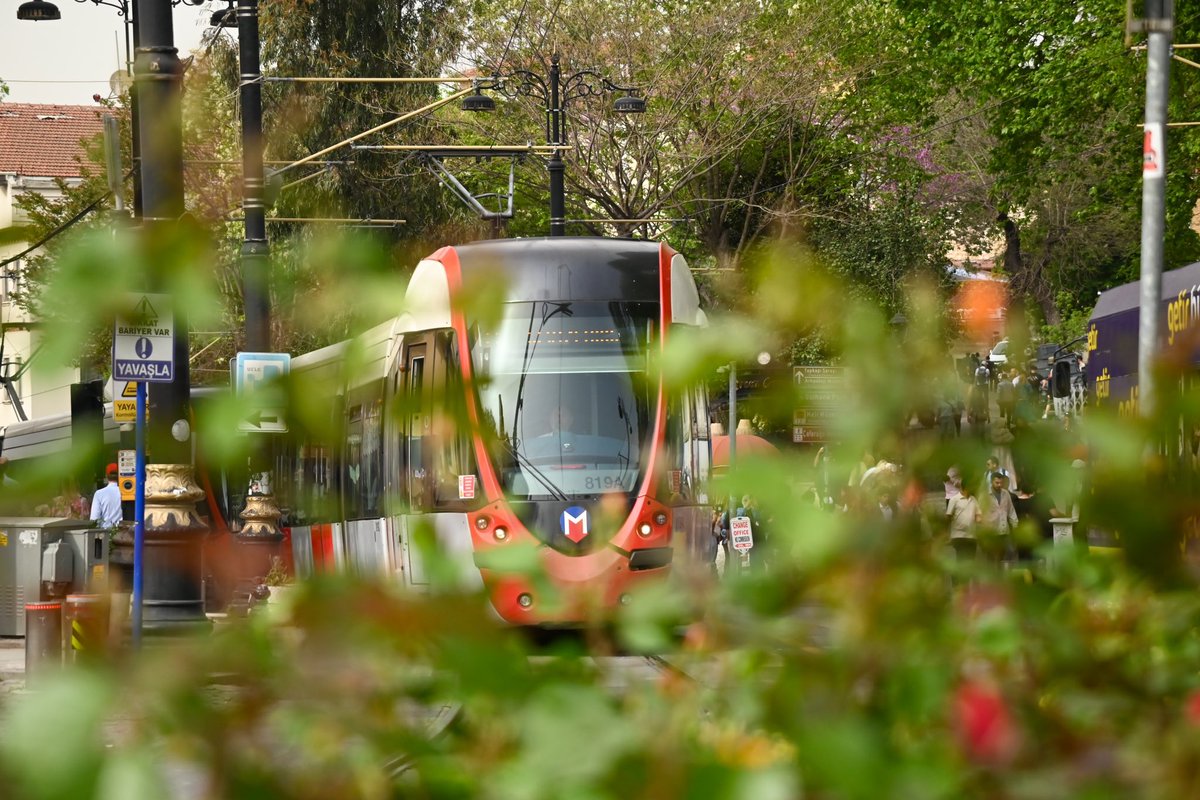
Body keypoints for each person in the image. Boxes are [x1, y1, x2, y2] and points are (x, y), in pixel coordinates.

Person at [980, 472, 1019, 562]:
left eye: (1001, 483)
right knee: (990, 557)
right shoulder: (985, 495)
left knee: (1002, 556)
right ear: (991, 482)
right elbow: (980, 512)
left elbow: (1011, 510)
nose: (999, 485)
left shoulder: (1006, 494)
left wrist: (1015, 525)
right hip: (991, 531)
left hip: (1003, 530)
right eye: (997, 483)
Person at [946, 482, 982, 561]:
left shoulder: (973, 500)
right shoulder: (954, 499)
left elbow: (978, 515)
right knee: (962, 558)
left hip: (971, 535)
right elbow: (949, 516)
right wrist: (946, 533)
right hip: (958, 535)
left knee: (971, 558)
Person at [90, 463, 123, 529]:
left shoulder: (99, 494)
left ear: (106, 475)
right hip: (123, 534)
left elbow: (94, 519)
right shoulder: (126, 493)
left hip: (105, 534)